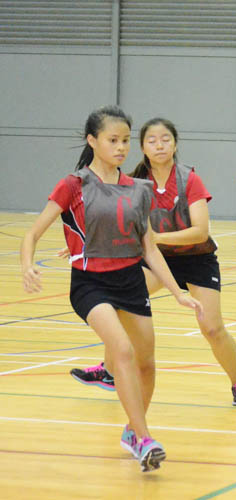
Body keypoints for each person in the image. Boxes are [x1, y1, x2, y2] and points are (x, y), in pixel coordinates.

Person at [20, 106, 203, 472]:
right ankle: (145, 436)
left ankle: (132, 433)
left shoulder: (138, 189)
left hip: (130, 282)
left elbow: (149, 247)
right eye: (112, 140)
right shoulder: (74, 185)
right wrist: (27, 264)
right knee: (120, 349)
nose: (121, 148)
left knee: (147, 365)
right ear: (93, 141)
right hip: (90, 283)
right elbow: (32, 232)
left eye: (124, 141)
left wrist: (177, 291)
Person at [70, 117, 236, 407]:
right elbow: (109, 218)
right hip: (156, 260)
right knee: (117, 302)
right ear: (142, 147)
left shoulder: (188, 178)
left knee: (212, 328)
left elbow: (200, 230)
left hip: (197, 259)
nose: (159, 145)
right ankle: (108, 370)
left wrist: (155, 239)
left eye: (165, 139)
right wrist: (86, 241)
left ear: (175, 143)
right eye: (152, 140)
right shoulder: (131, 183)